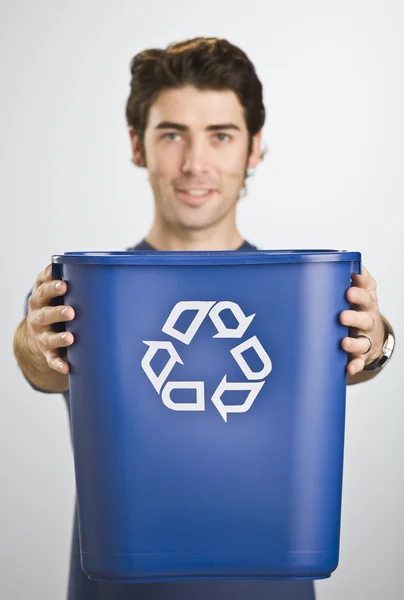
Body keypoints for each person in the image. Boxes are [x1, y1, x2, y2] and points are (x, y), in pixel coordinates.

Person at [13, 37, 395, 600]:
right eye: (172, 134)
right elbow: (40, 362)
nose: (195, 163)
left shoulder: (304, 296)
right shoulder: (87, 292)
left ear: (254, 147)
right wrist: (29, 341)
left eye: (221, 135)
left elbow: (363, 353)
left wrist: (377, 341)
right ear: (138, 146)